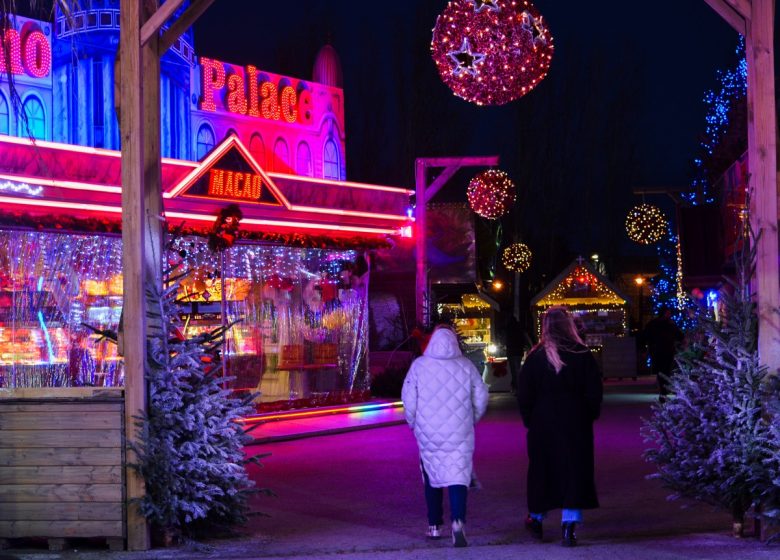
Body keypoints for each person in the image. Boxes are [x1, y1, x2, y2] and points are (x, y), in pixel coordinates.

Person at [516, 306, 603, 547]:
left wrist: (530, 419)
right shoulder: (582, 354)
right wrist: (588, 414)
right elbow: (594, 391)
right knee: (574, 470)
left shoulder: (535, 357)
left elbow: (524, 394)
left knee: (543, 470)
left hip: (543, 423)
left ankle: (536, 518)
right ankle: (569, 525)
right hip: (575, 423)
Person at [401, 325, 489, 548]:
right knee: (458, 475)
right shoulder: (466, 366)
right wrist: (472, 419)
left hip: (428, 431)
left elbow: (409, 398)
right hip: (460, 431)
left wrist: (413, 423)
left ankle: (434, 526)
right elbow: (480, 395)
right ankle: (458, 522)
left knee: (432, 474)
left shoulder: (419, 366)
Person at [640, 306, 684, 400]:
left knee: (663, 371)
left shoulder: (657, 324)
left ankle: (663, 391)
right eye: (668, 313)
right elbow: (679, 336)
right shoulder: (666, 324)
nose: (669, 315)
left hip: (661, 351)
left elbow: (644, 337)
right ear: (664, 313)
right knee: (664, 371)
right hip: (662, 351)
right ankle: (663, 391)